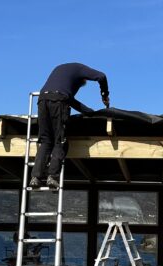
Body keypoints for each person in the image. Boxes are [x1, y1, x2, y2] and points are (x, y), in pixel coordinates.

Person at [30, 62, 110, 190]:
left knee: (45, 141)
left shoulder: (61, 71)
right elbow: (102, 76)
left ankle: (35, 178)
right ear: (83, 77)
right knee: (60, 140)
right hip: (58, 101)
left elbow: (67, 98)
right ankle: (52, 177)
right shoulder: (80, 68)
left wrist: (89, 112)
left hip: (42, 100)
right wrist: (104, 94)